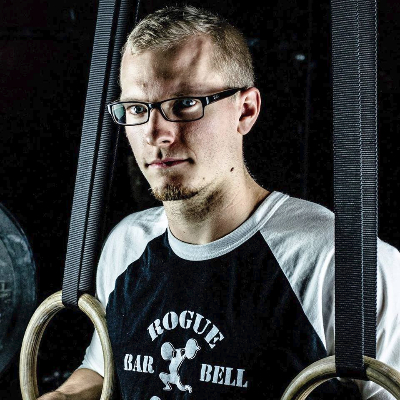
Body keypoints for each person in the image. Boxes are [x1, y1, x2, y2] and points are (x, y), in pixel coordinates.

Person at [38, 5, 400, 400]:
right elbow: (102, 370)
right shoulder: (127, 245)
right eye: (138, 109)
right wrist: (65, 396)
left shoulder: (341, 265)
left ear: (246, 111)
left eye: (184, 104)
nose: (155, 133)